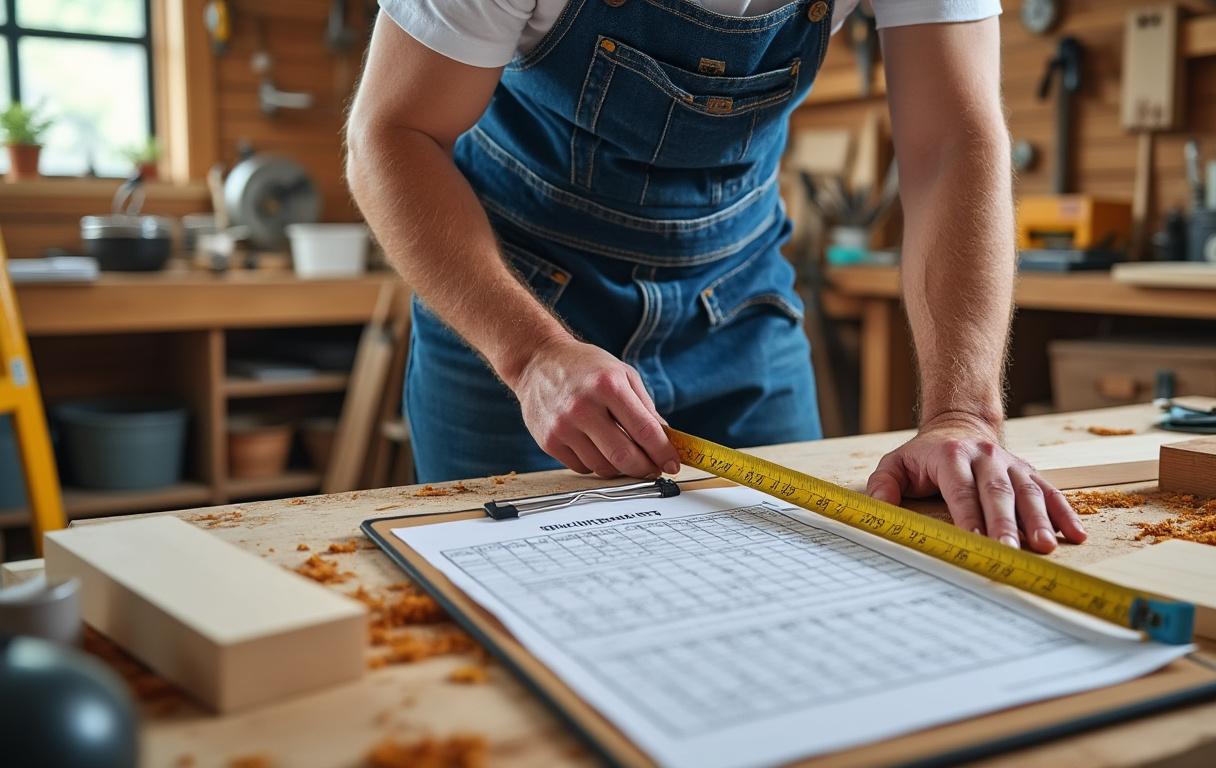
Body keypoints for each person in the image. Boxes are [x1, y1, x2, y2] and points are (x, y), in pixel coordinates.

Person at [346, 0, 1087, 554]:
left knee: (788, 590)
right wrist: (530, 354)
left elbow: (953, 142)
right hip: (515, 295)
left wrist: (962, 415)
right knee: (500, 619)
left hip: (738, 300)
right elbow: (391, 133)